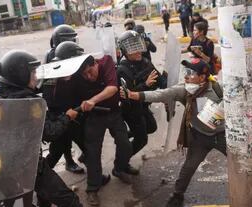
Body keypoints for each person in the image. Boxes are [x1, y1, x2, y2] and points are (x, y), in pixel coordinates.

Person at [120, 59, 225, 207]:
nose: (186, 76)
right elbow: (161, 94)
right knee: (188, 168)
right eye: (186, 72)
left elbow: (237, 99)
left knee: (244, 162)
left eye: (191, 73)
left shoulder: (217, 88)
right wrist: (132, 95)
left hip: (222, 136)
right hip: (199, 138)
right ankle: (177, 197)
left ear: (202, 77)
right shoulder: (184, 90)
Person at [0, 50, 83, 207]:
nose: (36, 77)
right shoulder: (28, 103)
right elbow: (50, 132)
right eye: (33, 73)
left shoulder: (0, 96)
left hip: (5, 166)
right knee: (71, 202)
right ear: (20, 75)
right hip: (29, 164)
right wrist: (68, 117)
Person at [73, 54, 134, 206]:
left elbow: (113, 88)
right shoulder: (78, 76)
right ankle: (92, 188)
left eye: (90, 71)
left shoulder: (106, 62)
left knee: (125, 144)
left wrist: (92, 100)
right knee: (92, 153)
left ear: (95, 64)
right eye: (84, 74)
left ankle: (119, 169)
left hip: (114, 112)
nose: (88, 76)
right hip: (94, 117)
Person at [43, 24, 83, 173]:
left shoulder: (71, 51)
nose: (73, 40)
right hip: (59, 104)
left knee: (81, 135)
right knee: (63, 140)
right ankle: (69, 161)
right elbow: (48, 84)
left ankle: (89, 162)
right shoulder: (52, 57)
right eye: (69, 39)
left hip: (73, 100)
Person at [117, 30, 164, 157]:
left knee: (151, 127)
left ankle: (125, 136)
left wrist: (167, 80)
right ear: (125, 51)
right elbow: (128, 95)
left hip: (143, 105)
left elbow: (159, 79)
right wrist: (146, 85)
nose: (138, 51)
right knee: (141, 140)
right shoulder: (122, 69)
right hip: (131, 110)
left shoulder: (145, 61)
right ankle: (121, 164)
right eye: (133, 48)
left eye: (138, 46)